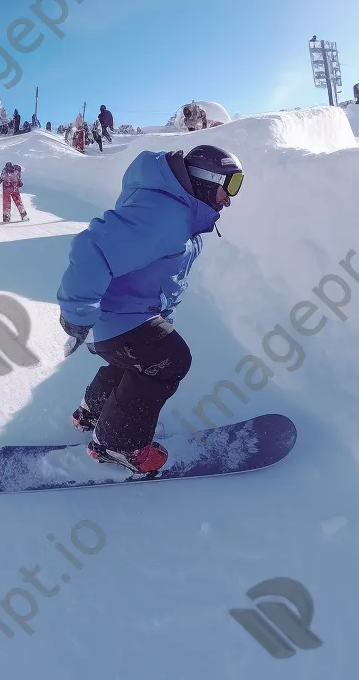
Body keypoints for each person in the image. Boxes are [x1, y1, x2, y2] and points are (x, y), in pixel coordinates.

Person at [57, 144, 244, 474]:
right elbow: (92, 247)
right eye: (230, 185)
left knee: (142, 361)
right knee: (170, 360)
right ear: (205, 179)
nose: (230, 198)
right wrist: (77, 312)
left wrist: (161, 318)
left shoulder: (179, 213)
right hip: (121, 318)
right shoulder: (165, 215)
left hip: (128, 316)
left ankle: (92, 412)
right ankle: (115, 444)